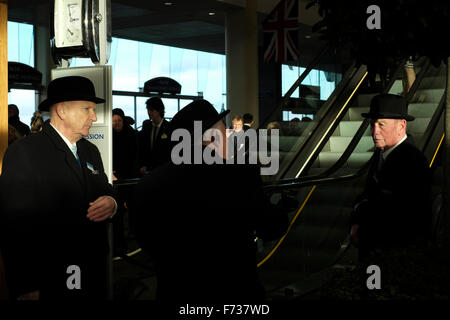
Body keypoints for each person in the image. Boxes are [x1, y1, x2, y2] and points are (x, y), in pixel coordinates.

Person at [132, 99, 289, 301]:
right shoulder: (240, 176)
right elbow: (271, 226)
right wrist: (282, 209)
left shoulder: (150, 183)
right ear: (213, 136)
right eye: (224, 130)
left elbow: (144, 237)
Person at [0, 76, 117, 300]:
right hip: (51, 276)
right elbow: (14, 226)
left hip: (92, 268)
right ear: (62, 110)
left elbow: (105, 188)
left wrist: (111, 203)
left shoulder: (90, 150)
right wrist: (26, 287)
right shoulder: (25, 152)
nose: (94, 116)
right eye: (87, 109)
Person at [350, 94, 431, 261]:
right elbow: (369, 195)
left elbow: (398, 212)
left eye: (381, 124)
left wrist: (361, 211)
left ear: (401, 126)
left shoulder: (412, 161)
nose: (374, 132)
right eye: (372, 125)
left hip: (395, 255)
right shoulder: (381, 153)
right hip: (376, 250)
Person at [137, 97, 171, 174]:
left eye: (151, 110)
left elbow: (167, 152)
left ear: (159, 110)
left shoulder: (168, 127)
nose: (149, 112)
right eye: (148, 110)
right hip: (147, 171)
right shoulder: (147, 126)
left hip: (163, 170)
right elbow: (142, 148)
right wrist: (142, 165)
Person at [112, 108, 139, 180]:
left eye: (119, 120)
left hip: (130, 174)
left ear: (123, 121)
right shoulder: (109, 135)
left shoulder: (131, 135)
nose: (117, 123)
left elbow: (136, 155)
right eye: (114, 121)